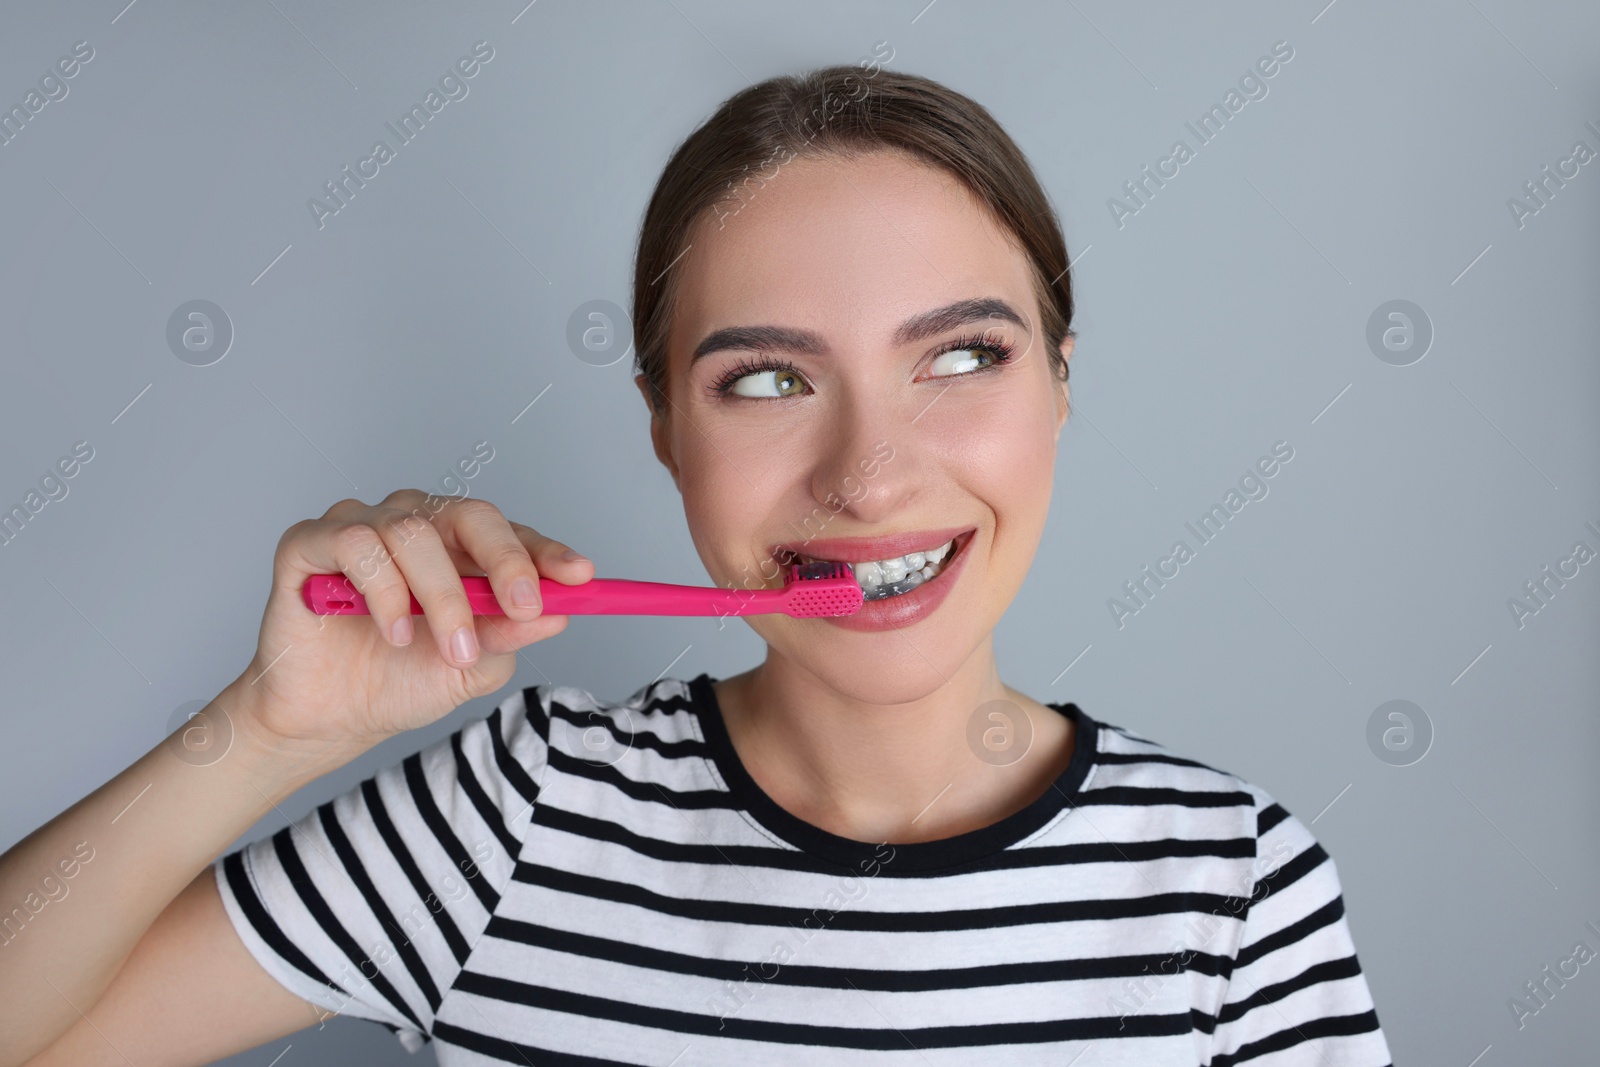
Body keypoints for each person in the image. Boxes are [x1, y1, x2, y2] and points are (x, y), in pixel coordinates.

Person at [0, 64, 1391, 1066]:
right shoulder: (511, 816)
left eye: (962, 356)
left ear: (1061, 388)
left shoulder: (1232, 888)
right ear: (666, 429)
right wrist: (263, 735)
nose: (868, 474)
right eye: (770, 379)